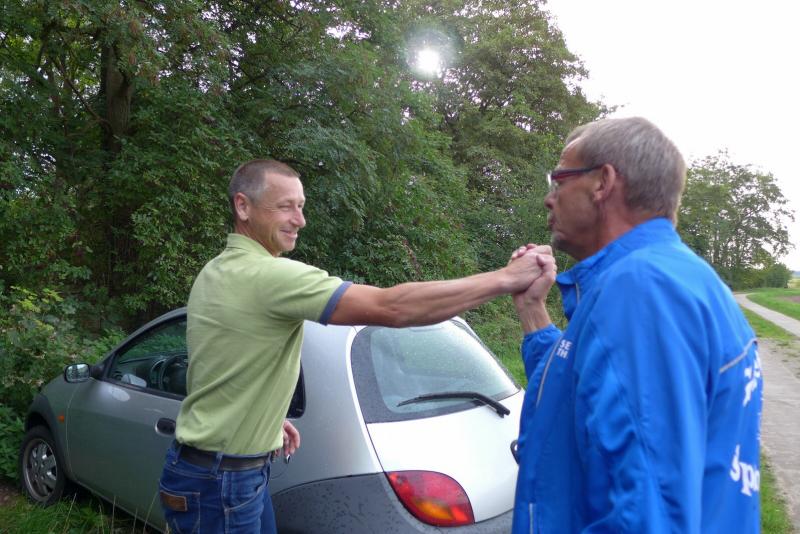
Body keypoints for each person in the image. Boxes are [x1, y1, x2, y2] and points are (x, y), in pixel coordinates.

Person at [157, 159, 548, 533]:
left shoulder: (218, 270)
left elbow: (224, 360)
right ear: (243, 206)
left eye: (301, 206)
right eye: (286, 207)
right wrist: (505, 279)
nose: (300, 220)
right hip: (222, 483)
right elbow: (392, 307)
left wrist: (266, 419)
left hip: (220, 473)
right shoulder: (267, 276)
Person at [510, 117, 762, 533]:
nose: (549, 199)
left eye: (559, 180)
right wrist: (533, 310)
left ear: (603, 182)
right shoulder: (679, 278)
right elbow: (577, 394)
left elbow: (644, 513)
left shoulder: (641, 290)